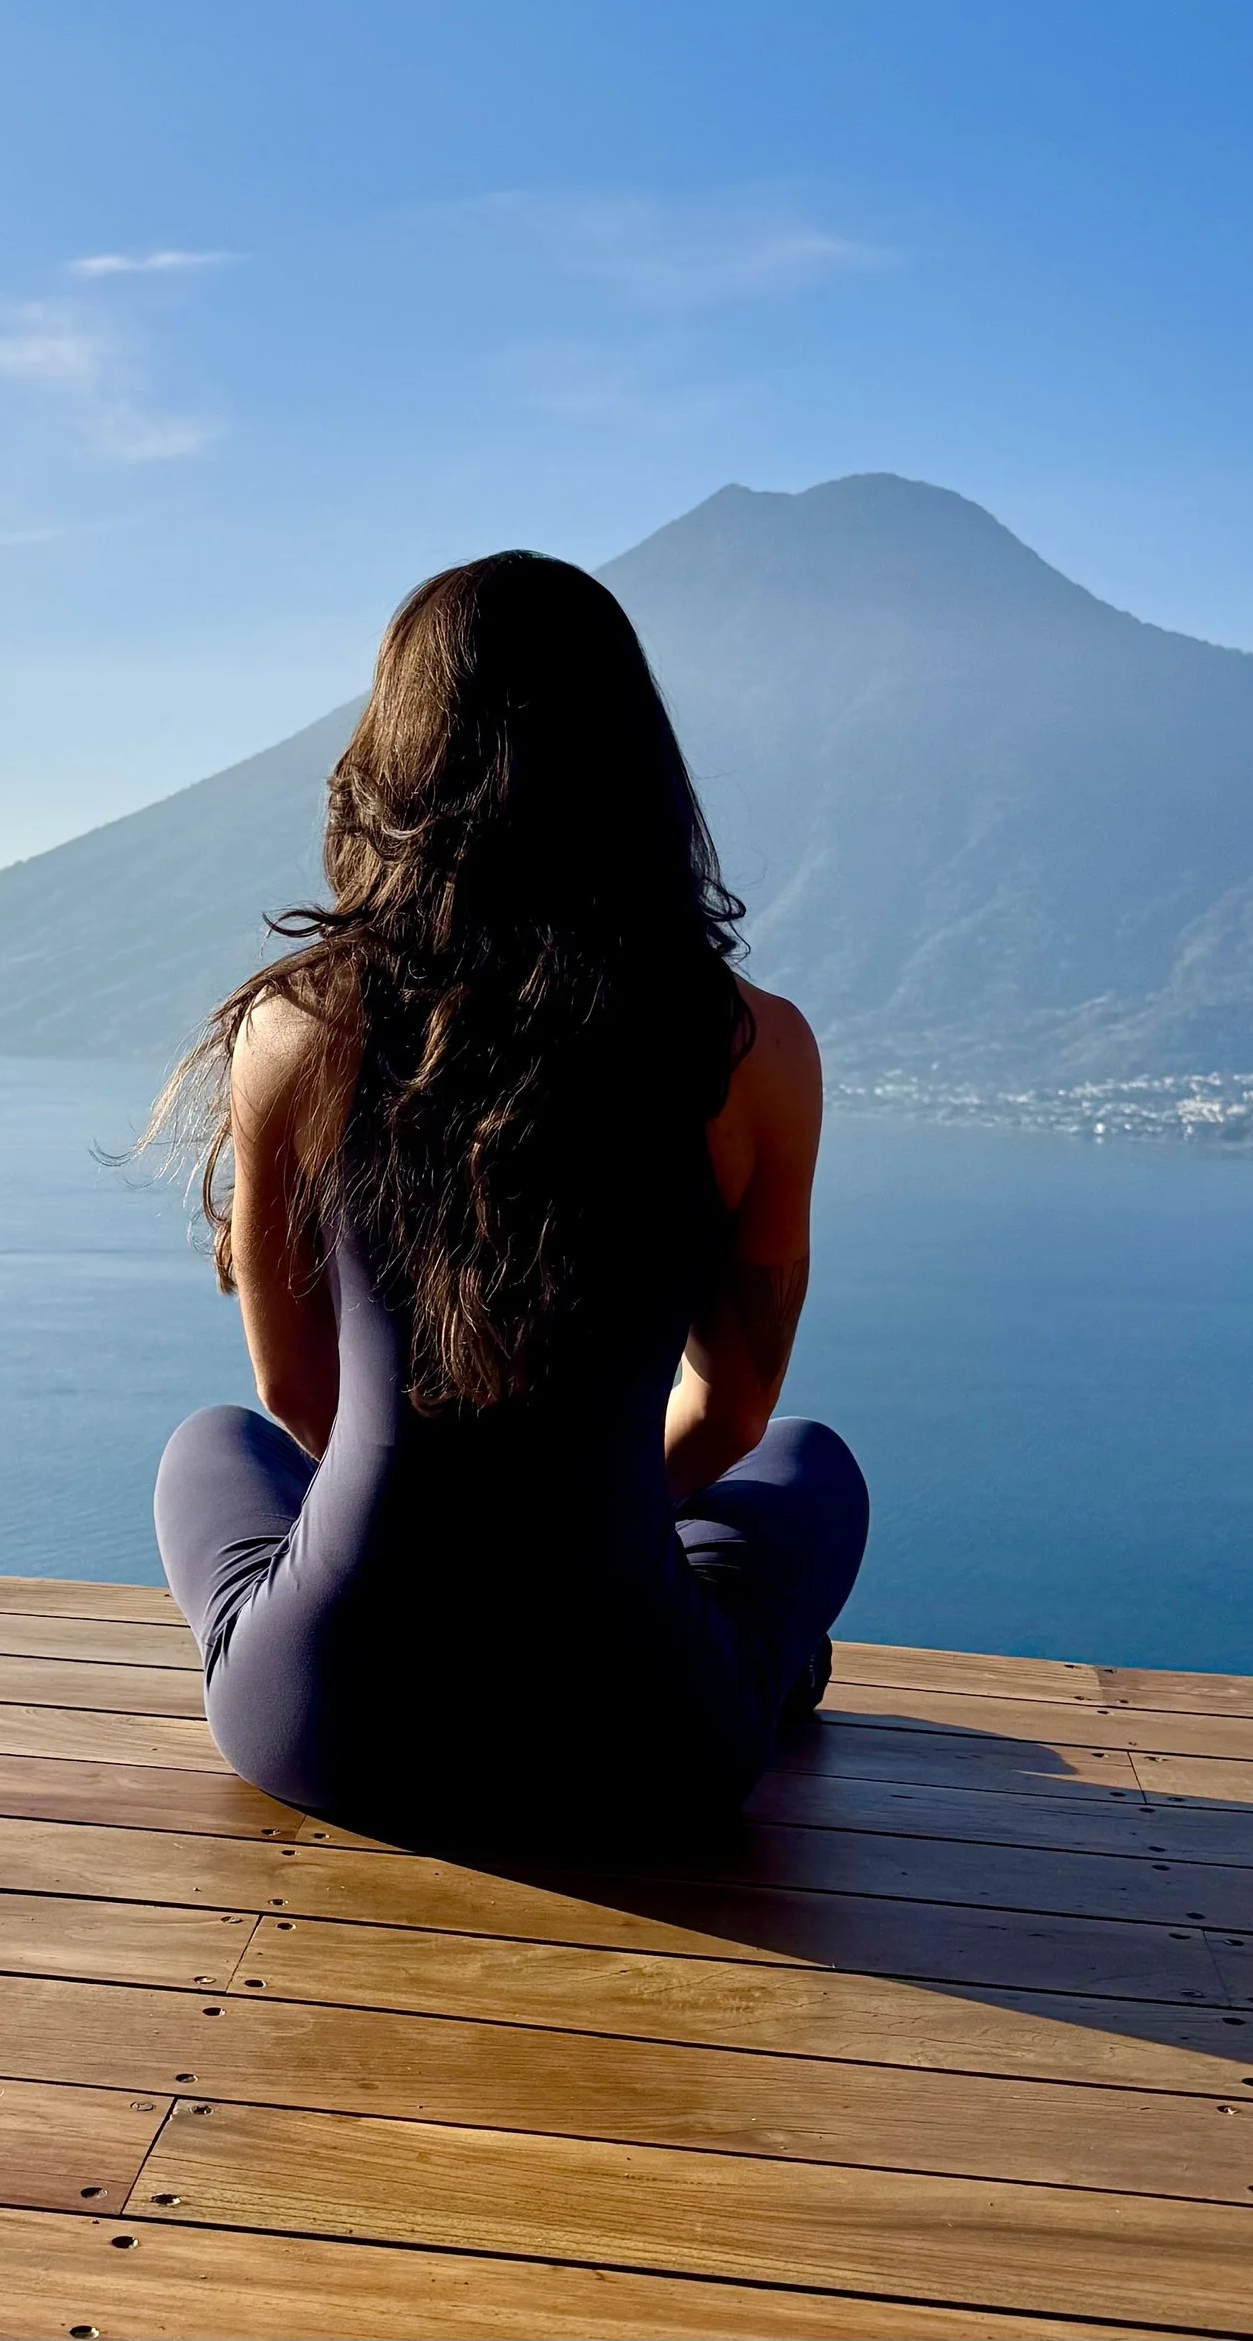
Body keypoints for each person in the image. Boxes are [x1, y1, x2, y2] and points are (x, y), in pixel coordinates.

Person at [150, 551, 867, 1850]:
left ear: (395, 757)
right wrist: (578, 1528)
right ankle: (761, 1664)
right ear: (640, 764)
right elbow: (739, 1408)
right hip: (643, 1738)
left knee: (210, 1450)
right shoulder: (756, 1049)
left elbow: (298, 1398)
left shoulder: (301, 1031)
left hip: (330, 1719)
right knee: (812, 1468)